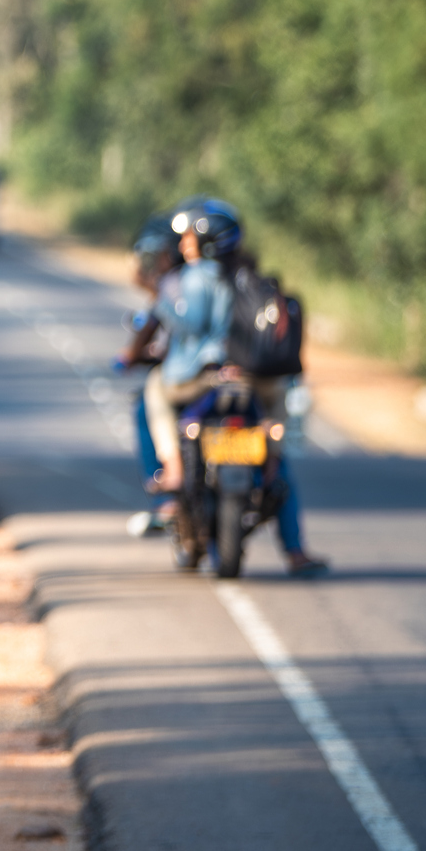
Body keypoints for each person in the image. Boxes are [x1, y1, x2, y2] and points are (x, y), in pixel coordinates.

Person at [144, 198, 329, 577]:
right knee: (275, 456)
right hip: (255, 381)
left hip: (200, 377)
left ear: (206, 241)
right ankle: (294, 550)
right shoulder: (251, 276)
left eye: (190, 237)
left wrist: (163, 301)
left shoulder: (193, 279)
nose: (183, 245)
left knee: (154, 390)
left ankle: (174, 466)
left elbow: (190, 324)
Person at [114, 213, 182, 535]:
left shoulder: (174, 286)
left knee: (147, 409)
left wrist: (132, 355)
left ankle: (168, 493)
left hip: (186, 374)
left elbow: (152, 326)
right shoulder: (230, 277)